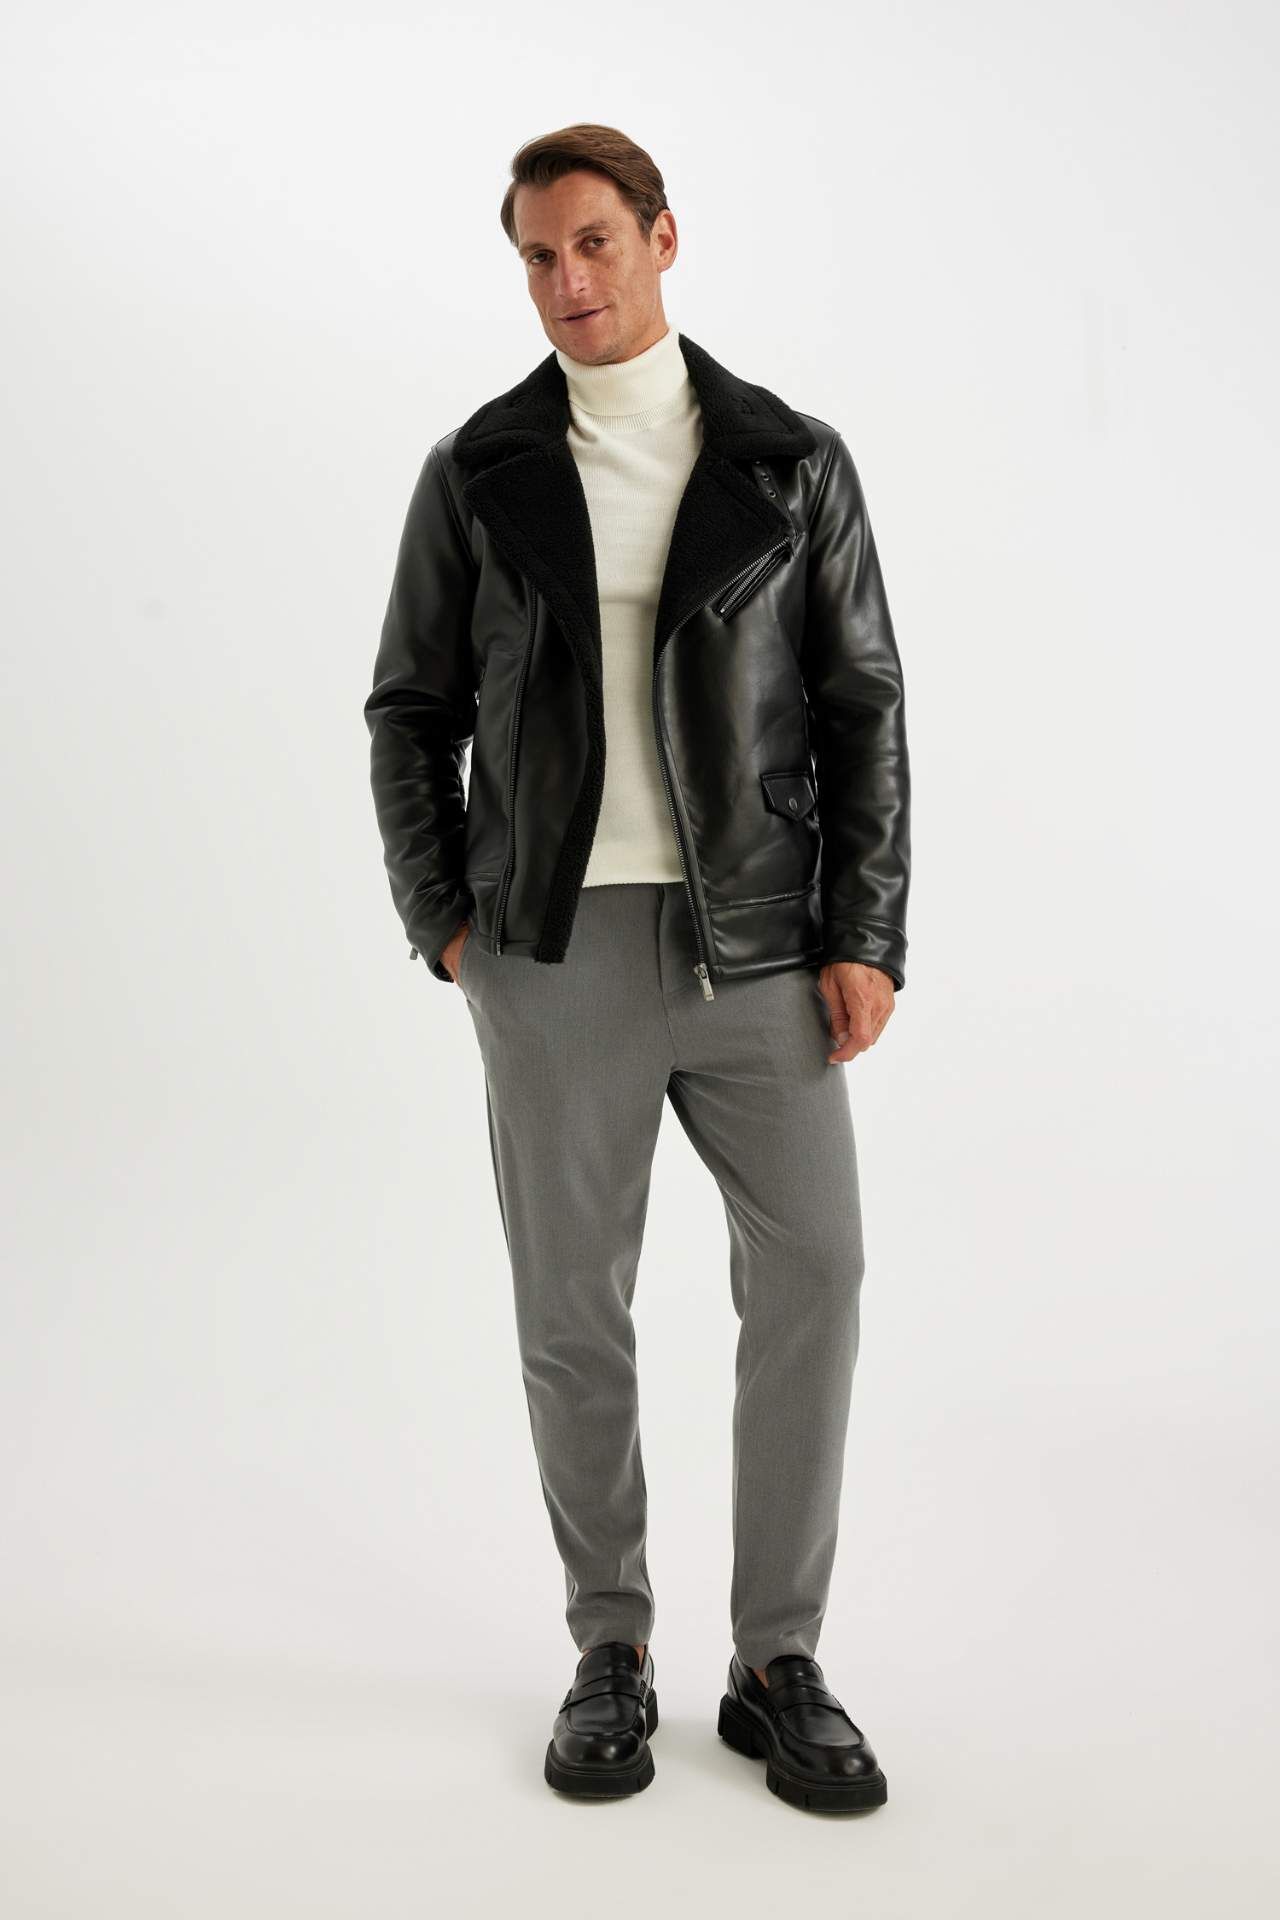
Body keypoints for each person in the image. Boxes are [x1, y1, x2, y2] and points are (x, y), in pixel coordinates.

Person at [364, 123, 910, 1813]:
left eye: (593, 242)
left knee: (816, 1273)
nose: (567, 280)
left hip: (757, 944)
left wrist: (864, 930)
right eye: (538, 255)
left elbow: (864, 706)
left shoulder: (789, 460)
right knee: (571, 1307)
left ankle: (777, 1659)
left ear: (664, 238)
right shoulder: (479, 470)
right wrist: (447, 921)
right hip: (550, 948)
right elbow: (409, 709)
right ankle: (610, 1644)